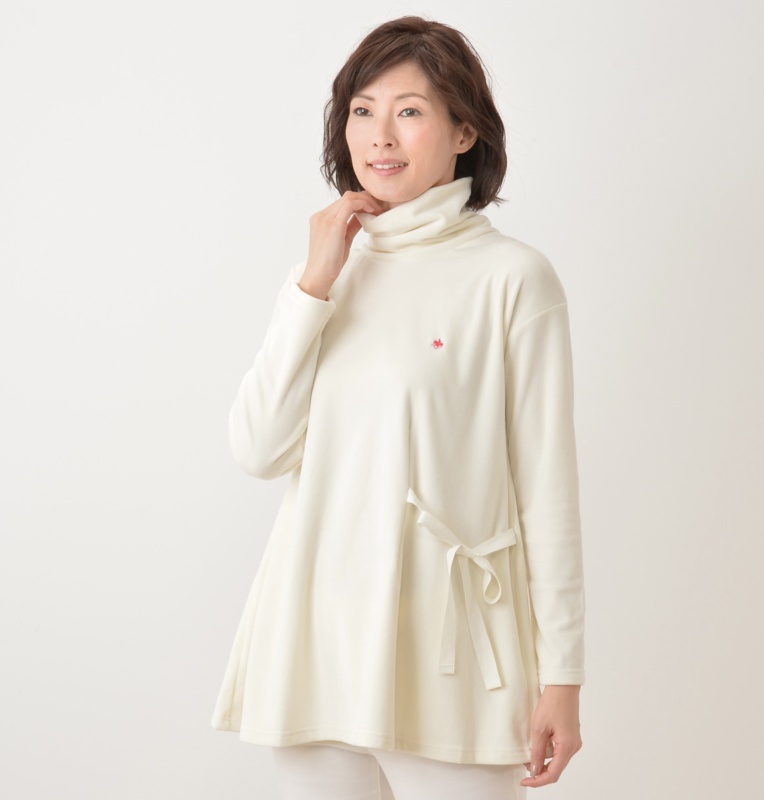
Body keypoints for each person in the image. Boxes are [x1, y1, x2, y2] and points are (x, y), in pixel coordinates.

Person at [211, 16, 586, 799]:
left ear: (464, 131)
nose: (380, 135)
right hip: (314, 648)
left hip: (452, 657)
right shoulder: (326, 274)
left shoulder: (512, 278)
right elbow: (258, 448)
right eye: (362, 110)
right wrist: (313, 283)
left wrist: (563, 675)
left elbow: (546, 489)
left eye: (409, 110)